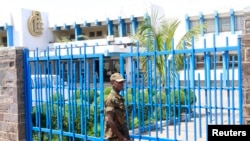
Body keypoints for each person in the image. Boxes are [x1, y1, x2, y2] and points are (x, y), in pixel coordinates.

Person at [104, 73, 131, 141]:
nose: (122, 84)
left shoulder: (119, 98)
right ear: (113, 83)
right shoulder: (111, 99)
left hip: (122, 132)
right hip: (115, 136)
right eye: (119, 82)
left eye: (122, 82)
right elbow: (110, 120)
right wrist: (121, 137)